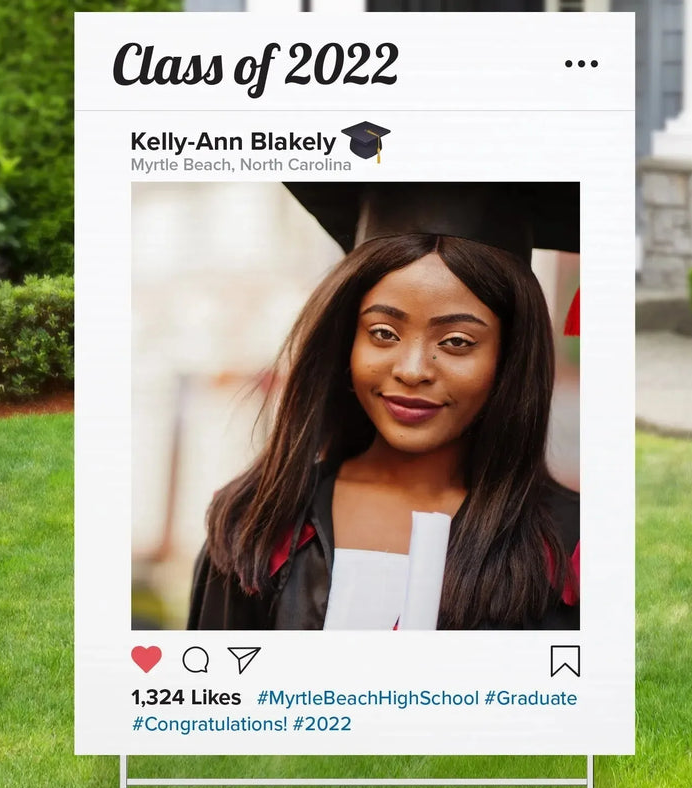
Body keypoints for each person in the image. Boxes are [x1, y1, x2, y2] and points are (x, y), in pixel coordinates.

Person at [187, 184, 579, 630]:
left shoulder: (569, 547)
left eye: (456, 342)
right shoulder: (260, 522)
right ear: (343, 341)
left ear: (509, 358)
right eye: (383, 333)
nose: (413, 370)